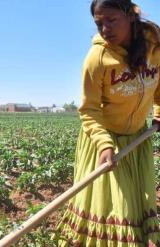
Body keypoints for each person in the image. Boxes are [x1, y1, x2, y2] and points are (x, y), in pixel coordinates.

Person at [54, 0, 160, 246]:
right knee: (113, 210)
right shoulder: (97, 59)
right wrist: (104, 145)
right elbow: (89, 109)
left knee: (135, 206)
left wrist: (158, 112)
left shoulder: (155, 46)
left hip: (137, 140)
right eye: (99, 23)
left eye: (111, 20)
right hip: (105, 143)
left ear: (131, 15)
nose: (105, 29)